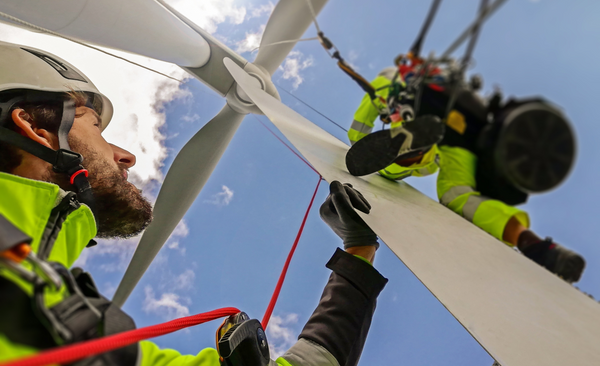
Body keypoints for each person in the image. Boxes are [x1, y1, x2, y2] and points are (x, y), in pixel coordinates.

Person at [0, 41, 387, 366]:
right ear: (35, 129)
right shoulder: (49, 312)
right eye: (96, 127)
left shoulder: (64, 316)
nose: (126, 156)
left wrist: (358, 251)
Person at [347, 58, 586, 283]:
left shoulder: (388, 82)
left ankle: (413, 150)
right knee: (459, 196)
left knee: (389, 170)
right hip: (466, 129)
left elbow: (358, 134)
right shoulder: (445, 79)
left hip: (424, 114)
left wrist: (358, 140)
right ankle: (534, 244)